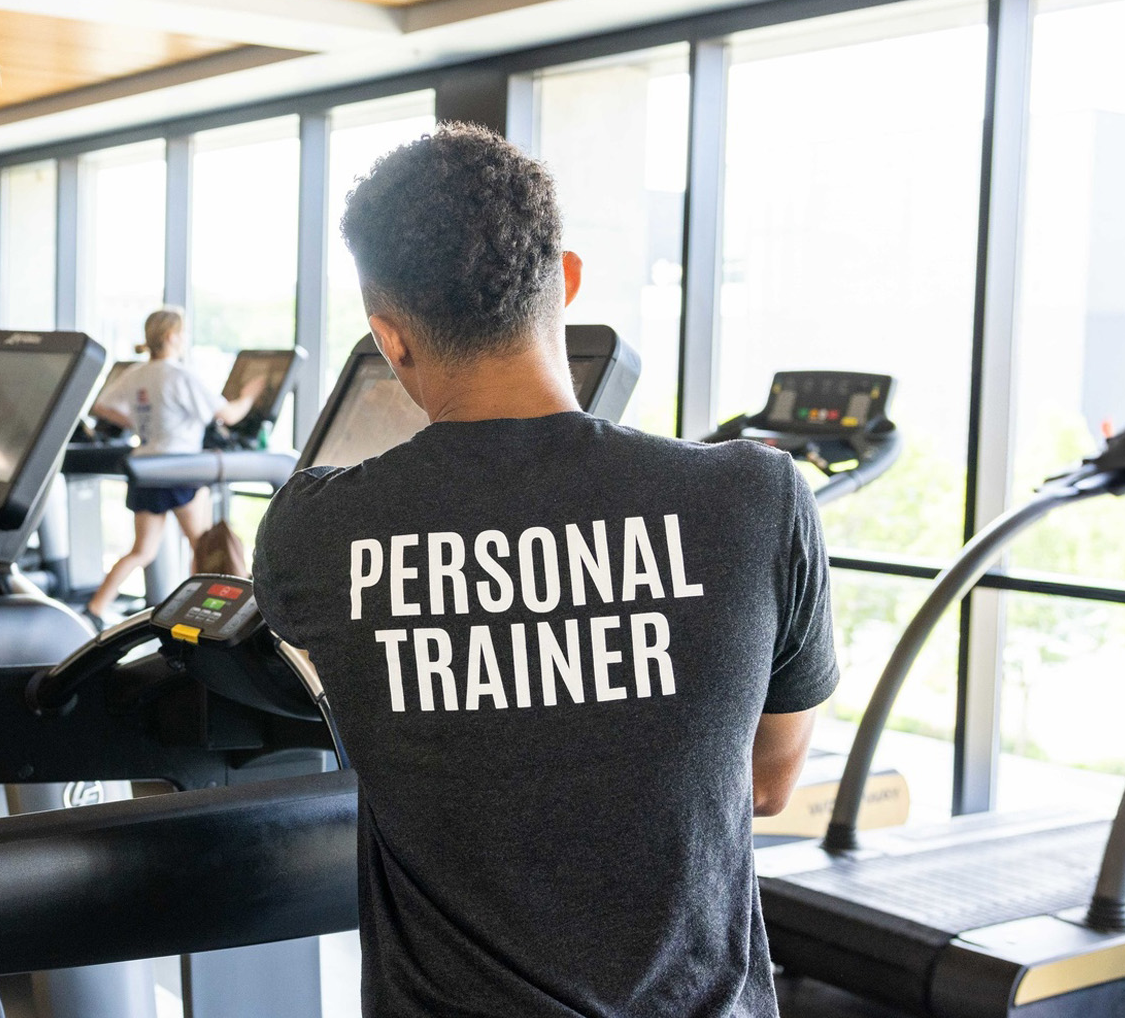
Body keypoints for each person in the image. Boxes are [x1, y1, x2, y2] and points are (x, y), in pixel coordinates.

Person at [251, 124, 835, 1018]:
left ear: (390, 336)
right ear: (564, 283)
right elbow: (766, 779)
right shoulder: (757, 497)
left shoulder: (312, 532)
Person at [85, 307, 263, 625]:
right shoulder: (180, 375)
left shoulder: (138, 373)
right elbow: (229, 415)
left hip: (147, 470)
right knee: (202, 548)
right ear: (171, 336)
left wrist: (139, 425)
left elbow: (101, 405)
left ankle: (95, 609)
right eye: (183, 332)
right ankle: (202, 617)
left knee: (142, 551)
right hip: (181, 471)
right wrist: (251, 395)